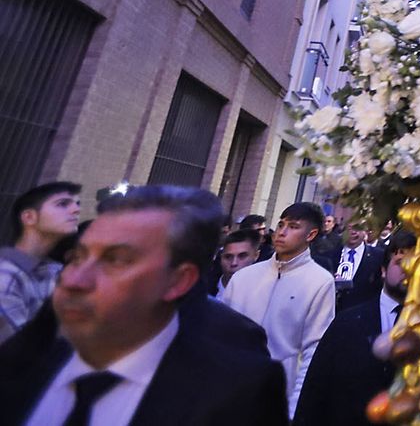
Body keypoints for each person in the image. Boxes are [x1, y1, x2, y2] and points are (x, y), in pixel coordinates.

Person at [0, 184, 286, 425]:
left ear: (178, 279)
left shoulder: (240, 386)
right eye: (77, 256)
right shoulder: (31, 348)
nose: (75, 280)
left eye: (116, 260)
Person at [220, 201, 336, 415]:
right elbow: (219, 335)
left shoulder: (319, 282)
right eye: (281, 224)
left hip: (277, 395)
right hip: (229, 390)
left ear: (311, 235)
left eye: (293, 227)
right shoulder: (244, 277)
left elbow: (313, 349)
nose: (281, 232)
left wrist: (293, 409)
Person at [295, 232, 415, 425]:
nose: (409, 270)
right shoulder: (347, 322)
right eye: (400, 262)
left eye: (417, 264)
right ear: (383, 270)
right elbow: (317, 386)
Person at [0, 181, 81, 341]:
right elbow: (21, 350)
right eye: (63, 204)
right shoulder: (6, 276)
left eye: (77, 204)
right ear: (29, 217)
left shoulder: (53, 271)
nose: (76, 210)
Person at [329, 221, 382, 313]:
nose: (353, 232)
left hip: (362, 314)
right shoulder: (329, 256)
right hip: (332, 312)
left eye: (358, 228)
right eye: (349, 228)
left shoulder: (378, 256)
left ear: (365, 231)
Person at [213, 229, 260, 296]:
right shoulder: (202, 289)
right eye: (228, 257)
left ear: (256, 255)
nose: (234, 263)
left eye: (242, 256)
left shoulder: (262, 294)